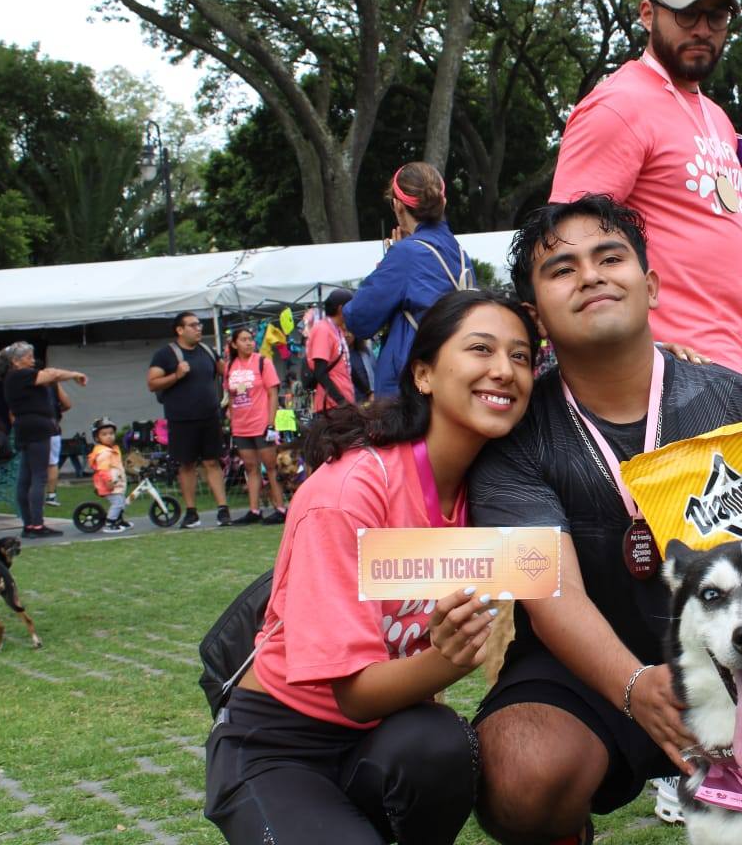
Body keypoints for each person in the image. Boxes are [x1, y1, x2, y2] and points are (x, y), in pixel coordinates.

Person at [468, 195, 742, 844]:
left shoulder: (741, 401)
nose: (591, 275)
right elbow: (550, 588)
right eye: (562, 268)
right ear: (535, 315)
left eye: (610, 257)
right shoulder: (515, 436)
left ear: (650, 285)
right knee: (520, 767)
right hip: (586, 671)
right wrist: (632, 685)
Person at [204, 289, 537, 845]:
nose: (504, 370)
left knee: (442, 744)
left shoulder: (493, 493)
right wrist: (447, 658)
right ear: (424, 374)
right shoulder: (350, 490)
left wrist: (659, 360)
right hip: (280, 744)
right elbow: (353, 694)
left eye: (522, 356)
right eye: (481, 349)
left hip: (387, 739)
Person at [549, 0, 742, 411]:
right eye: (687, 13)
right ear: (647, 14)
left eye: (716, 16)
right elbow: (563, 249)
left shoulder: (717, 118)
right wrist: (636, 355)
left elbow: (714, 240)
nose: (702, 28)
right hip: (673, 386)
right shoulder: (618, 106)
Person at [343, 162, 471, 398]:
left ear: (398, 205)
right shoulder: (461, 255)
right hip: (450, 381)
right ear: (443, 202)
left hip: (407, 391)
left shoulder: (405, 255)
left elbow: (358, 318)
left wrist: (389, 263)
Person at [0, 342, 87, 538]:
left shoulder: (12, 378)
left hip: (24, 429)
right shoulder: (21, 375)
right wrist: (75, 374)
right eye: (28, 357)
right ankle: (37, 525)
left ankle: (29, 525)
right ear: (16, 362)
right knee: (38, 477)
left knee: (25, 478)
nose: (32, 361)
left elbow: (50, 376)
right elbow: (51, 375)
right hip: (37, 429)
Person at [147, 312, 231, 529]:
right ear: (180, 330)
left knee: (212, 462)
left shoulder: (207, 351)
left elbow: (228, 372)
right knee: (186, 465)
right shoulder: (165, 355)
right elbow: (152, 383)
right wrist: (176, 375)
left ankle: (223, 509)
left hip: (210, 416)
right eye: (193, 325)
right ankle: (191, 512)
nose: (199, 328)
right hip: (181, 419)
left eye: (199, 324)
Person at [223, 328, 287, 525]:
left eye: (250, 339)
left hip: (261, 423)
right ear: (234, 344)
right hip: (241, 425)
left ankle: (280, 508)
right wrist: (231, 419)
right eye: (243, 340)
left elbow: (273, 393)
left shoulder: (262, 362)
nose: (249, 343)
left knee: (270, 467)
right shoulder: (230, 366)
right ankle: (254, 510)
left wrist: (271, 423)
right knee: (250, 467)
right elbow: (230, 395)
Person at [307, 289, 356, 414]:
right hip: (332, 407)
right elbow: (320, 371)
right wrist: (341, 401)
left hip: (342, 404)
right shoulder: (323, 330)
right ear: (341, 309)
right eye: (352, 306)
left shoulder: (336, 330)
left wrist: (367, 392)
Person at [87, 417, 131, 533]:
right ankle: (110, 523)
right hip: (109, 484)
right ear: (97, 438)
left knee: (121, 502)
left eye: (111, 433)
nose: (109, 436)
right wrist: (108, 482)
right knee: (118, 503)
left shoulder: (112, 449)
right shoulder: (104, 453)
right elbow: (103, 470)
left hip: (117, 483)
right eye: (104, 434)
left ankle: (119, 520)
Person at [44, 380, 71, 507]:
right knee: (52, 463)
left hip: (31, 429)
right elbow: (67, 404)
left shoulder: (22, 381)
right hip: (52, 427)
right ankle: (51, 495)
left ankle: (32, 495)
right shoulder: (52, 382)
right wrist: (56, 412)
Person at [349, 336, 377, 404]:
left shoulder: (365, 351)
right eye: (343, 330)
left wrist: (373, 392)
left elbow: (375, 373)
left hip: (367, 400)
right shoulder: (339, 354)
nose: (347, 334)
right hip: (350, 401)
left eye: (349, 331)